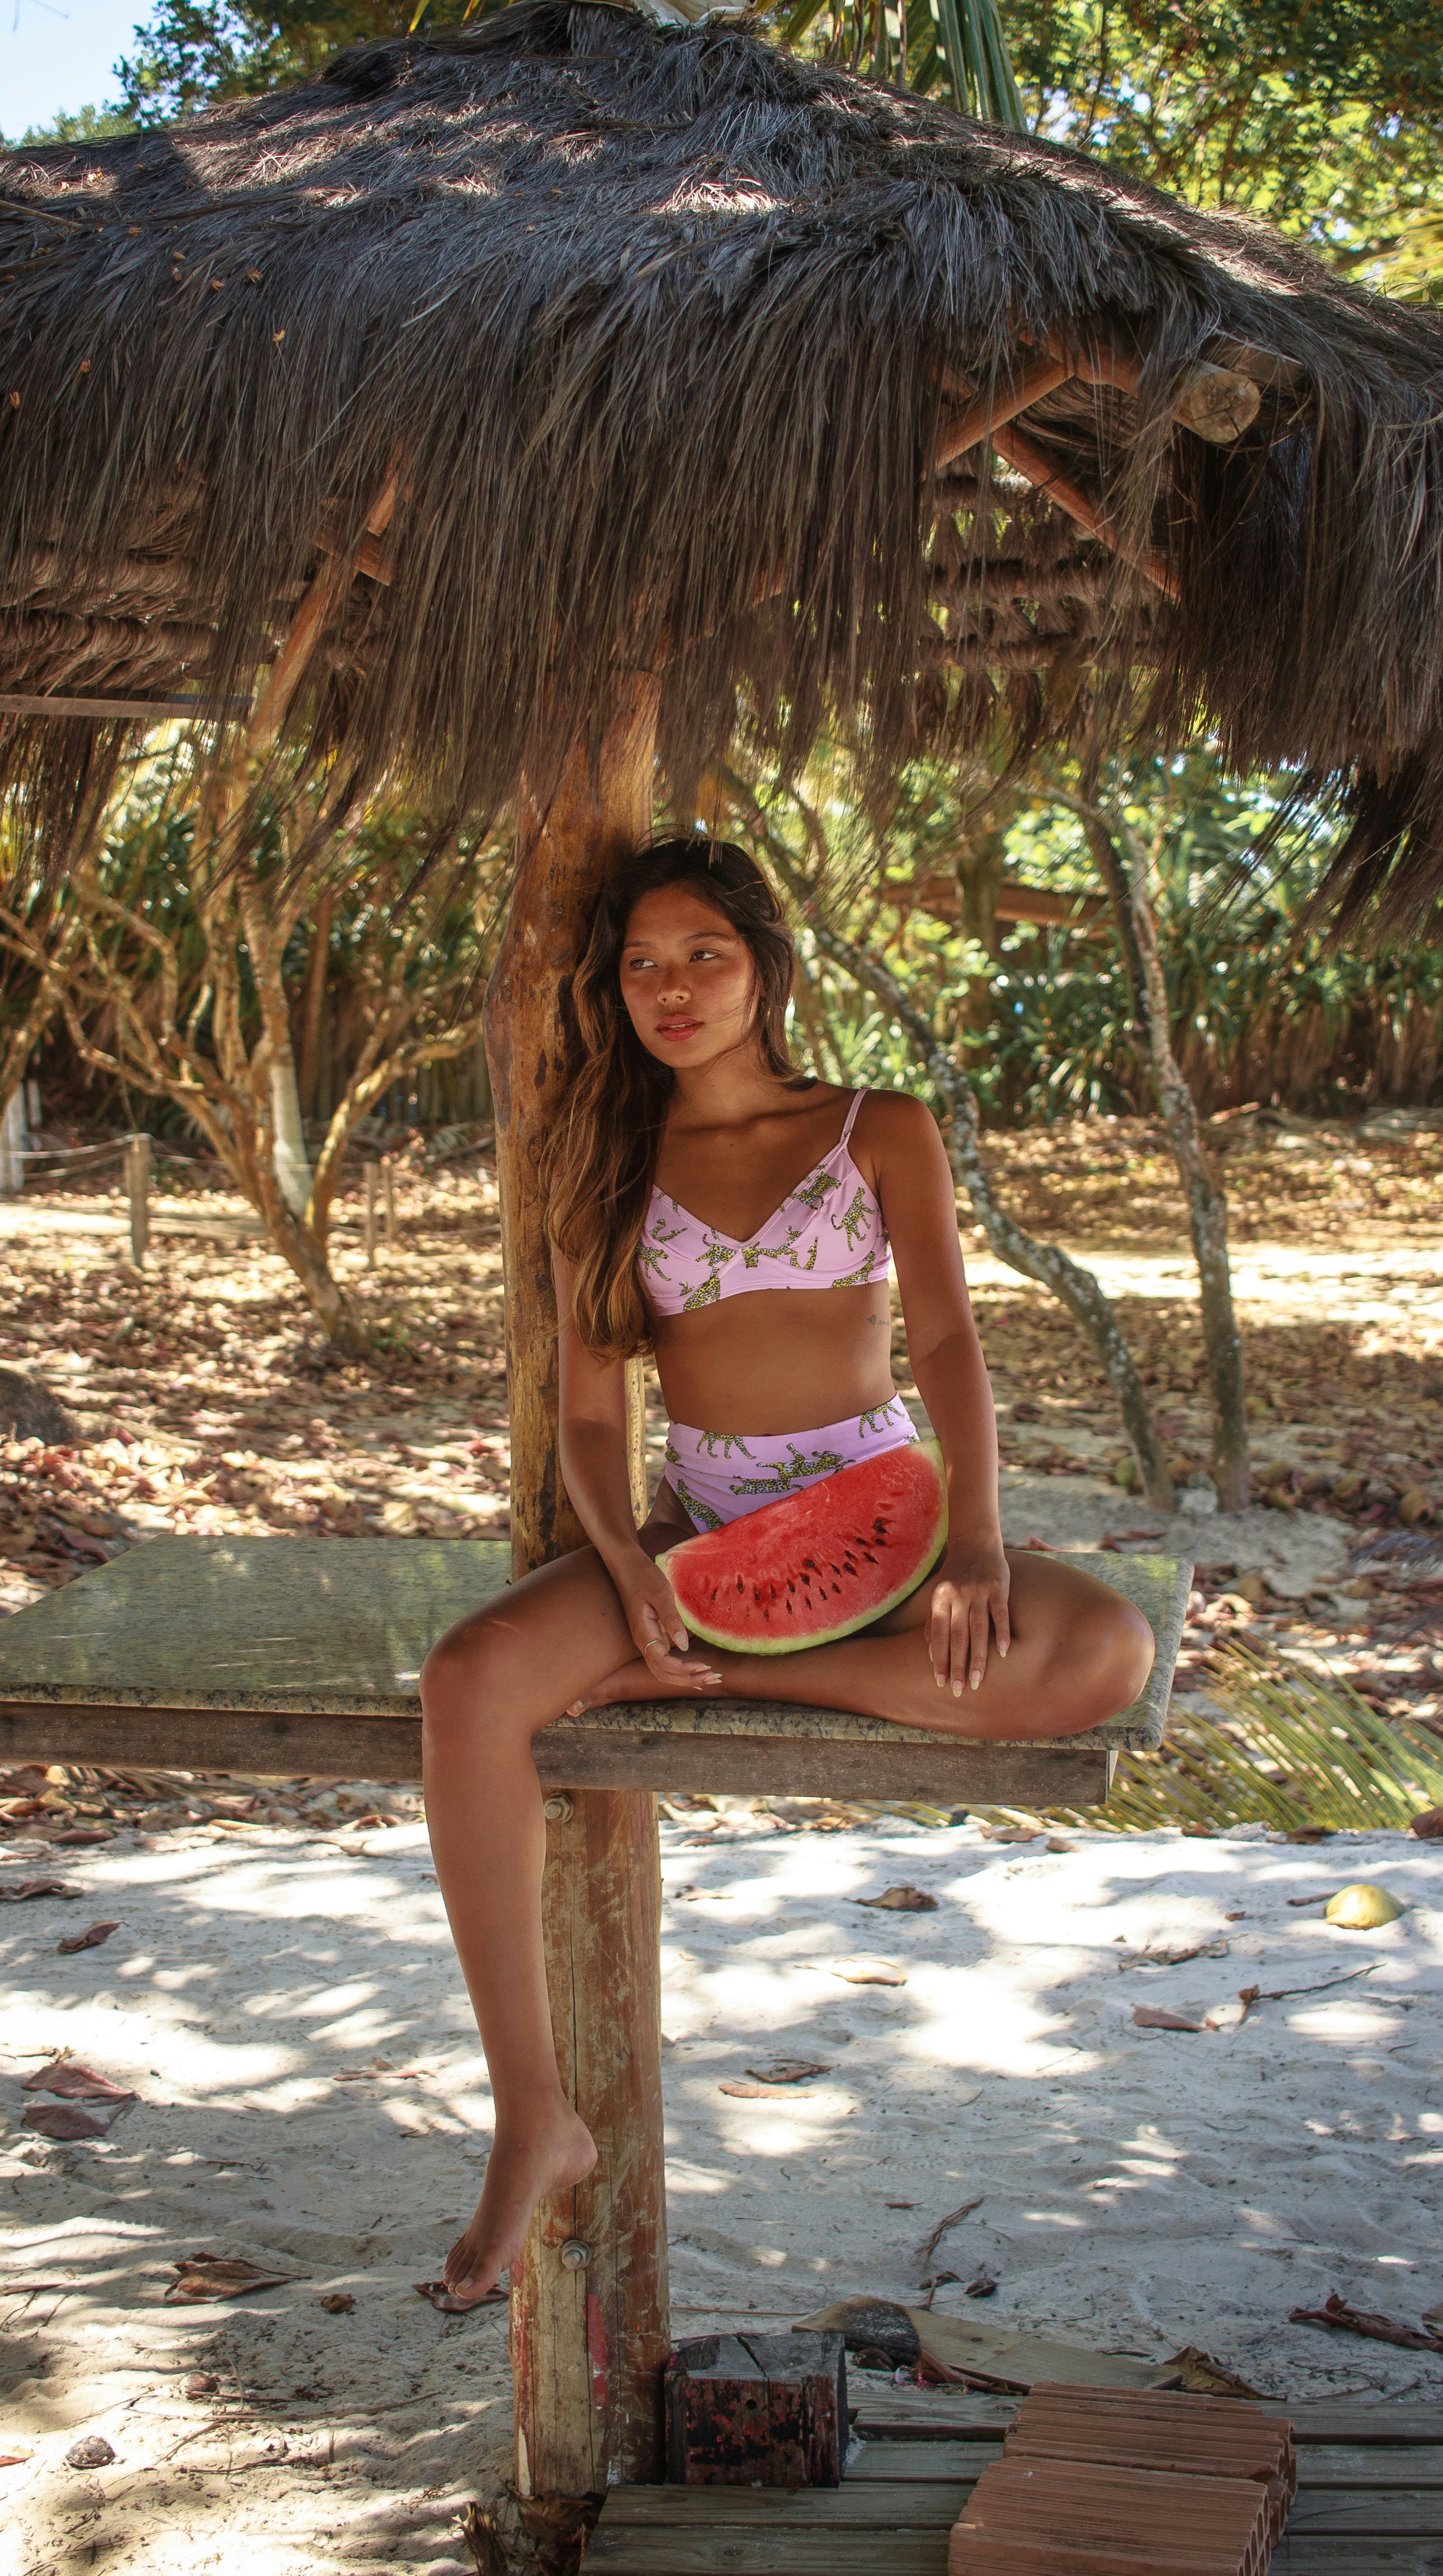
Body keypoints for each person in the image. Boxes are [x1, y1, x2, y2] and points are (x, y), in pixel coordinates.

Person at [419, 837, 1155, 2302]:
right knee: (467, 1681)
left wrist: (983, 1539)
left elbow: (945, 1340)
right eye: (642, 964)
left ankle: (721, 1669)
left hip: (889, 1498)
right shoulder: (605, 1152)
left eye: (705, 957)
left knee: (1108, 1654)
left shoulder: (883, 1127)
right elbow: (584, 1408)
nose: (673, 990)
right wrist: (632, 1559)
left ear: (768, 968)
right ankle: (531, 2115)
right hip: (707, 1524)